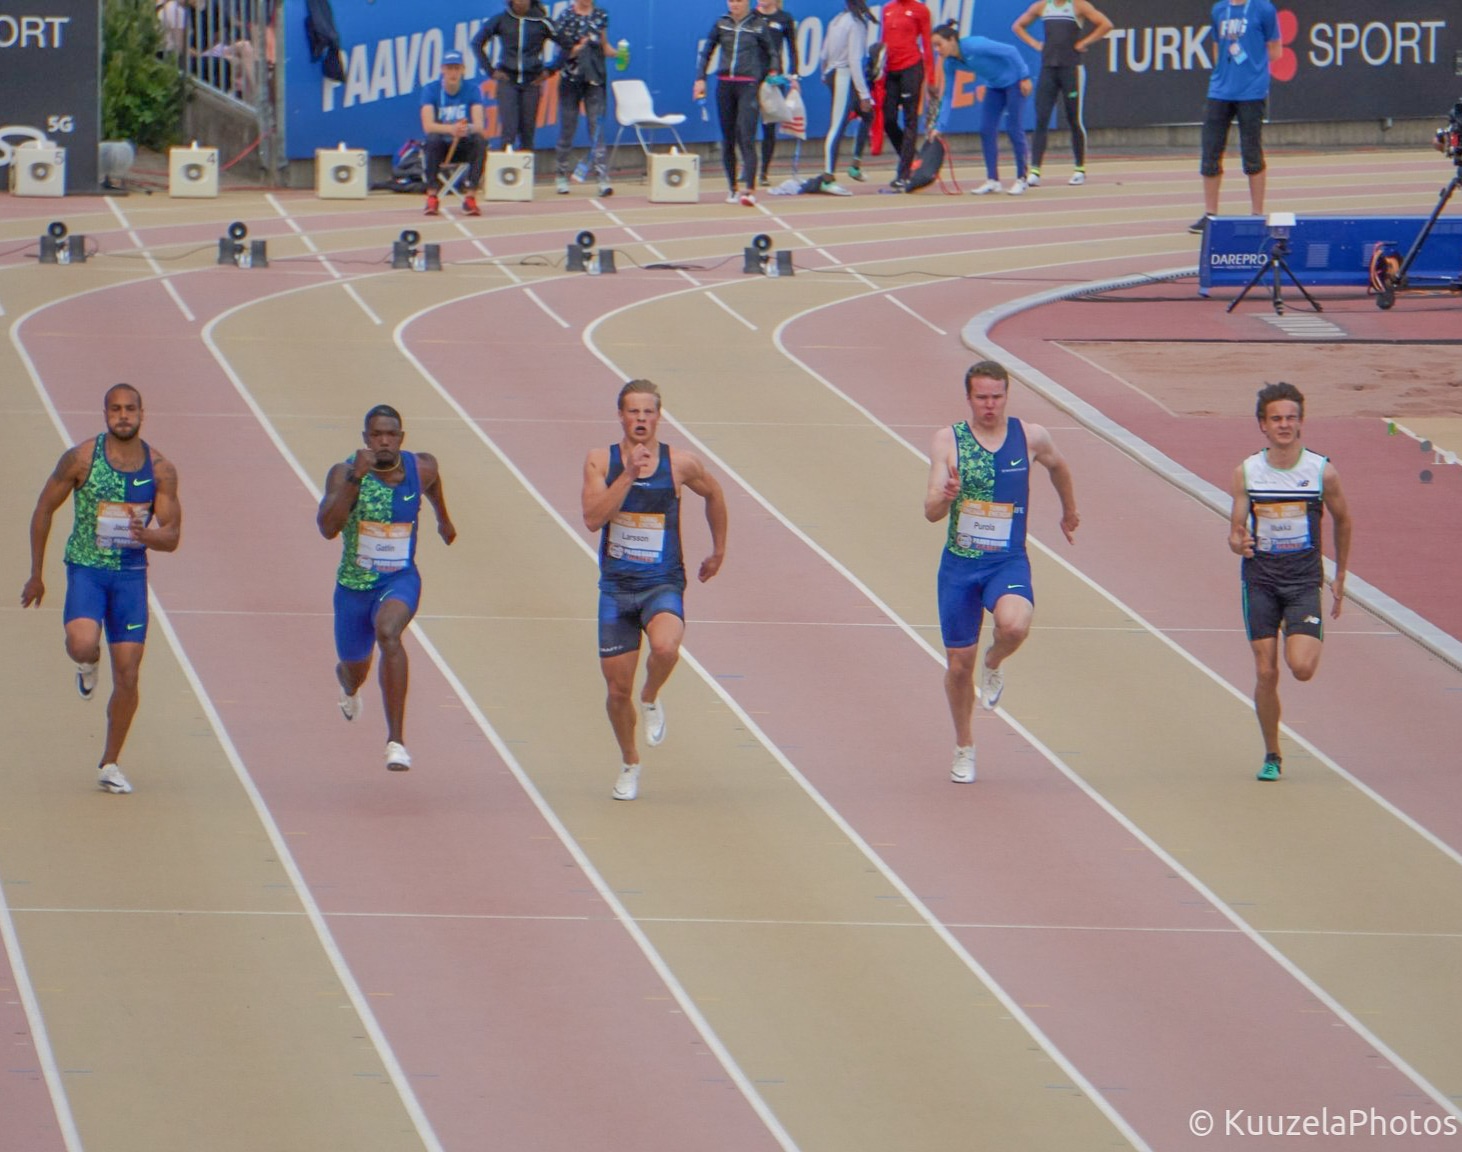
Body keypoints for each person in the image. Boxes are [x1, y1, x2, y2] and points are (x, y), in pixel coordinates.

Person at [21, 384, 182, 795]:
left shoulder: (160, 469)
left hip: (129, 576)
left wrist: (145, 536)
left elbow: (173, 536)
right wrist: (36, 572)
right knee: (81, 643)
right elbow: (43, 508)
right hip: (87, 570)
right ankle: (87, 661)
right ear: (105, 413)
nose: (123, 415)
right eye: (116, 409)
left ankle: (110, 762)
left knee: (128, 674)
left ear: (142, 413)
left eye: (130, 409)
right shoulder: (81, 459)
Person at [923, 361, 1078, 784]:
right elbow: (931, 512)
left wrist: (1070, 510)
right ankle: (964, 746)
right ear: (969, 398)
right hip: (960, 566)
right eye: (981, 397)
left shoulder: (1030, 436)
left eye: (996, 396)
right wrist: (946, 495)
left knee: (1013, 626)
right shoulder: (948, 441)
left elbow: (1059, 467)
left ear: (1006, 395)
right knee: (958, 667)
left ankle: (994, 661)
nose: (989, 405)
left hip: (1006, 559)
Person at [581, 381, 727, 802]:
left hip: (662, 582)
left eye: (648, 412)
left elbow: (715, 493)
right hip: (616, 589)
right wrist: (627, 475)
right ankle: (630, 762)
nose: (641, 419)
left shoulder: (680, 464)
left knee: (665, 649)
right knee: (614, 692)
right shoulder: (599, 462)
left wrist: (718, 550)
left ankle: (651, 695)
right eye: (633, 412)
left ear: (659, 417)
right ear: (621, 416)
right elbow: (593, 519)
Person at [317, 406, 456, 773]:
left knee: (389, 633)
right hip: (353, 588)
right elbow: (327, 528)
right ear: (365, 439)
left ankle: (396, 741)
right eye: (376, 434)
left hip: (399, 579)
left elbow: (434, 482)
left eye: (390, 434)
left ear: (401, 438)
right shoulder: (343, 473)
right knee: (354, 668)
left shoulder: (419, 467)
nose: (383, 441)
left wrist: (444, 519)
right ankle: (348, 687)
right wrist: (354, 481)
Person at [1227, 383, 1351, 782]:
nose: (1284, 425)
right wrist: (1236, 540)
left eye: (1291, 418)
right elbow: (1235, 529)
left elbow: (1344, 521)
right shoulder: (1247, 471)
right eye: (1276, 418)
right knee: (1266, 672)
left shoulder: (1320, 471)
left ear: (1301, 422)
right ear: (1262, 424)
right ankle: (1272, 754)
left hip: (1301, 582)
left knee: (1300, 668)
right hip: (1261, 579)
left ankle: (1301, 628)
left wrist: (1341, 573)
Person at [1191, 0, 1281, 234]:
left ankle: (1256, 214)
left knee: (1251, 151)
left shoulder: (1263, 9)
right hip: (1219, 91)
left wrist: (1254, 69)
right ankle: (1210, 214)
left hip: (1251, 91)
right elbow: (1216, 46)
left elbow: (1275, 49)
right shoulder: (1219, 9)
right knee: (1210, 149)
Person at [1012, 0, 1111, 187]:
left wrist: (1084, 42)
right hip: (1048, 69)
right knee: (1041, 119)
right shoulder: (1042, 6)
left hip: (1071, 69)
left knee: (1074, 119)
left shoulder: (1078, 5)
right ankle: (1035, 170)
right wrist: (1035, 44)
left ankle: (1079, 169)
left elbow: (1106, 24)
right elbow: (1018, 26)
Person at [694, 0, 780, 207]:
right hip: (725, 85)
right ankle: (732, 187)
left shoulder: (758, 25)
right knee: (728, 138)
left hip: (748, 85)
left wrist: (773, 72)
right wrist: (700, 79)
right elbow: (706, 52)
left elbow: (772, 52)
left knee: (746, 135)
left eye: (739, 1)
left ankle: (749, 189)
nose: (735, 5)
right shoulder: (721, 23)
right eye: (731, 0)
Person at [930, 24, 1033, 195]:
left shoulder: (975, 45)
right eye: (934, 46)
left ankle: (1022, 178)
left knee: (1014, 129)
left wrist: (1025, 76)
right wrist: (940, 126)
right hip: (994, 87)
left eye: (939, 44)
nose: (937, 49)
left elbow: (1011, 51)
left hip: (1015, 83)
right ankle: (993, 180)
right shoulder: (949, 63)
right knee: (986, 130)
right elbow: (948, 95)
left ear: (952, 40)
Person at [472, 0, 562, 154]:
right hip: (508, 80)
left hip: (531, 82)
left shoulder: (542, 21)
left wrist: (550, 70)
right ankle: (507, 173)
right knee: (509, 129)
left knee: (527, 130)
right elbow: (476, 42)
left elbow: (566, 45)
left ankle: (525, 173)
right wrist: (491, 71)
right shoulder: (501, 19)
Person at [554, 0, 613, 198]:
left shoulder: (600, 16)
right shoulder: (565, 17)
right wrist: (579, 48)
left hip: (594, 80)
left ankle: (602, 179)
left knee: (597, 129)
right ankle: (561, 175)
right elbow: (562, 52)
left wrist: (620, 54)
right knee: (567, 129)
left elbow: (604, 47)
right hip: (571, 80)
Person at [419, 50, 486, 217]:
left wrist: (466, 129)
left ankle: (470, 196)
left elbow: (479, 125)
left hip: (462, 144)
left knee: (480, 140)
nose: (453, 73)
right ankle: (432, 195)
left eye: (457, 68)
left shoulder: (472, 90)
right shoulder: (431, 90)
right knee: (432, 140)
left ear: (463, 70)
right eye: (449, 68)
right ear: (443, 69)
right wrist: (450, 129)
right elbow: (428, 125)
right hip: (442, 145)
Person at [818, 0, 876, 194]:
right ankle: (828, 178)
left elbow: (823, 54)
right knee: (837, 126)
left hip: (835, 73)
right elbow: (854, 61)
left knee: (868, 115)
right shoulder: (854, 23)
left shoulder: (837, 20)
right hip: (843, 75)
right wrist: (864, 94)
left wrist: (824, 74)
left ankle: (855, 166)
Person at [878, 0, 934, 191]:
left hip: (911, 67)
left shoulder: (921, 10)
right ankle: (912, 157)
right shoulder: (888, 9)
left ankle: (903, 174)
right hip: (891, 70)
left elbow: (927, 44)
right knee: (888, 120)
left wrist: (931, 78)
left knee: (910, 120)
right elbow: (883, 41)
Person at [756, 0, 799, 186]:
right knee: (745, 123)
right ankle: (746, 166)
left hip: (773, 78)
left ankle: (764, 171)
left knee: (769, 126)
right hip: (751, 76)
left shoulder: (784, 18)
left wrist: (794, 77)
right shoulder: (752, 16)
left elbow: (793, 50)